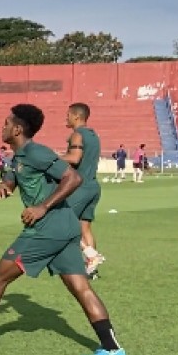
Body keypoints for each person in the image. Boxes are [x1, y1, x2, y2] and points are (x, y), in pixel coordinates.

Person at [0, 104, 126, 355]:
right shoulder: (19, 156)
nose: (1, 127)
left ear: (16, 129)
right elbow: (16, 176)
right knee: (80, 287)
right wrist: (5, 184)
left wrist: (42, 207)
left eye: (5, 123)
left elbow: (73, 179)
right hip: (65, 227)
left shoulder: (37, 152)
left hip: (47, 228)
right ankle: (113, 348)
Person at [59, 103, 105, 278]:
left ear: (76, 116)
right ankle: (91, 270)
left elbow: (74, 158)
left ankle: (91, 255)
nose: (66, 118)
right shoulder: (94, 135)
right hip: (93, 186)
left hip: (80, 187)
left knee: (60, 221)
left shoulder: (77, 135)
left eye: (68, 114)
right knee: (84, 228)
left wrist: (50, 158)